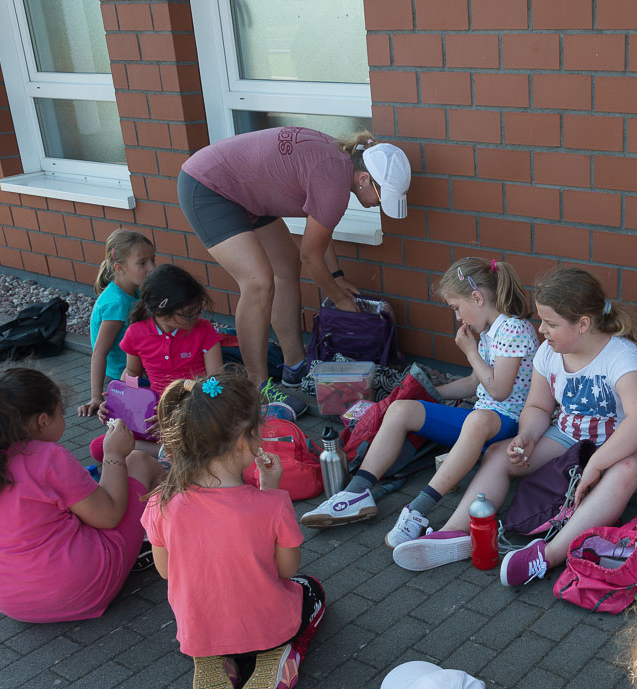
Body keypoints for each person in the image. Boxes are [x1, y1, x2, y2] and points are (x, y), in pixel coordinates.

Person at [393, 268, 637, 585]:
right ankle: (456, 531)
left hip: (627, 446)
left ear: (583, 324)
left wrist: (597, 464)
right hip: (569, 437)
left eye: (551, 323)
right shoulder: (549, 352)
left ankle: (548, 555)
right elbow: (538, 407)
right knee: (499, 455)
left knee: (627, 469)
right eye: (541, 320)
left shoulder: (622, 356)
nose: (541, 330)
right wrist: (527, 436)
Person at [300, 257, 538, 547]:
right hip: (482, 419)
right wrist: (426, 393)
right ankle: (357, 493)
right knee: (402, 409)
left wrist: (470, 352)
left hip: (508, 423)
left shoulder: (514, 329)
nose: (458, 318)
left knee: (478, 419)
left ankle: (417, 510)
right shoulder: (489, 332)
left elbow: (499, 390)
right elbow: (474, 384)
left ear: (477, 298)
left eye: (456, 308)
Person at [142, 370, 325, 689]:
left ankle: (218, 656)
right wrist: (271, 489)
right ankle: (283, 654)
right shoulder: (272, 505)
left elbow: (165, 571)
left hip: (200, 629)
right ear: (245, 440)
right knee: (311, 588)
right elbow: (286, 570)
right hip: (268, 626)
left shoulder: (161, 502)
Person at [177, 127, 412, 396]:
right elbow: (311, 256)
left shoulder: (341, 164)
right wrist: (340, 300)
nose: (379, 206)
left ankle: (295, 365)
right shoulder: (334, 181)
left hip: (248, 188)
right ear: (364, 179)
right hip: (209, 186)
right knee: (258, 282)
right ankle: (257, 388)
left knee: (286, 265)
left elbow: (319, 229)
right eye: (381, 199)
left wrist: (336, 276)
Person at [0, 369, 163, 622]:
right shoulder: (46, 457)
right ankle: (174, 537)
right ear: (43, 420)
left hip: (14, 605)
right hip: (83, 590)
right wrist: (114, 454)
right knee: (139, 461)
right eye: (60, 413)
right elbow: (108, 516)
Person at [90, 264, 225, 462]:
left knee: (115, 448)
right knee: (98, 447)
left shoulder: (204, 330)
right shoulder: (136, 333)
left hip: (197, 410)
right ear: (161, 311)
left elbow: (216, 383)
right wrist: (118, 402)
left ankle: (168, 453)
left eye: (198, 309)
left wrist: (176, 414)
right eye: (188, 313)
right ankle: (170, 453)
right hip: (155, 415)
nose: (196, 316)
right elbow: (132, 373)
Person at [78, 229, 156, 417]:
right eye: (142, 263)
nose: (152, 268)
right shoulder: (117, 304)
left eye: (153, 260)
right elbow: (99, 352)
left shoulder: (136, 289)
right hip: (127, 375)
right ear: (119, 268)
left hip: (138, 364)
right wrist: (96, 397)